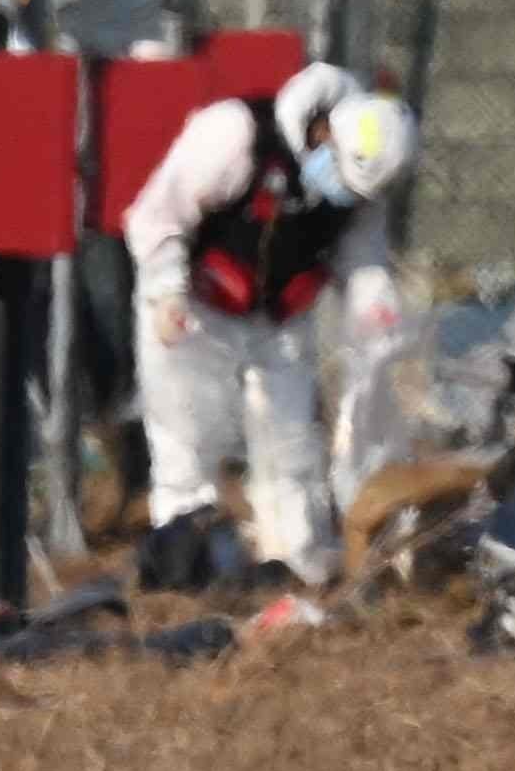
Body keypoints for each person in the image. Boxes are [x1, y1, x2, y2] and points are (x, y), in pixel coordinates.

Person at [122, 61, 414, 589]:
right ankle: (187, 567)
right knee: (187, 437)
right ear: (324, 132)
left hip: (281, 316)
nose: (341, 195)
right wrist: (167, 290)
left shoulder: (359, 190)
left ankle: (298, 565)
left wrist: (379, 318)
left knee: (290, 442)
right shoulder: (236, 133)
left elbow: (361, 258)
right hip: (197, 305)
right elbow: (159, 213)